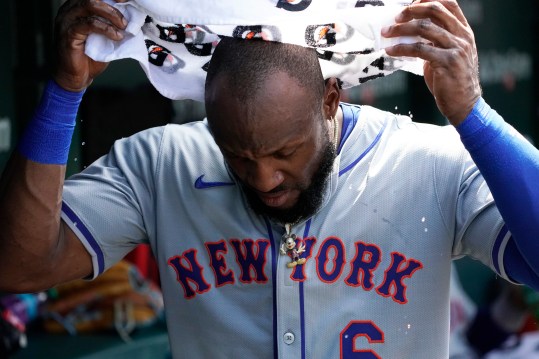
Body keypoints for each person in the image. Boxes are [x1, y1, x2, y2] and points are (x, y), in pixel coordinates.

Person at [1, 0, 538, 357]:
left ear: (331, 98)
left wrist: (474, 114)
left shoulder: (428, 158)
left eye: (285, 150)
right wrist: (63, 95)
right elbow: (20, 265)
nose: (263, 177)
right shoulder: (161, 163)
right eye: (236, 151)